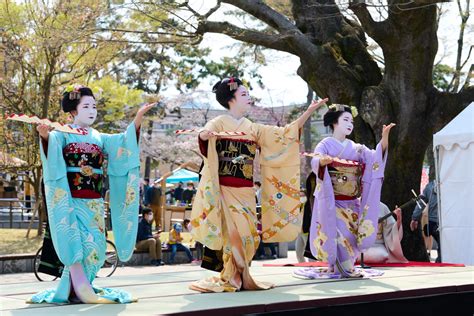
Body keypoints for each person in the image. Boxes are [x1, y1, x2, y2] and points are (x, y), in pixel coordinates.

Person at [189, 77, 328, 292]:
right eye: (243, 94)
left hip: (245, 189)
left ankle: (240, 275)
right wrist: (205, 135)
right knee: (233, 234)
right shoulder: (218, 123)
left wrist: (308, 112)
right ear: (231, 99)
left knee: (249, 236)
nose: (249, 98)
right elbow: (204, 135)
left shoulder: (253, 128)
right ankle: (232, 276)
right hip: (224, 188)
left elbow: (284, 135)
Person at [29, 84, 154, 304]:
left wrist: (137, 119)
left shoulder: (99, 137)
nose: (92, 110)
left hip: (95, 200)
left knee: (96, 245)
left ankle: (79, 286)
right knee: (77, 243)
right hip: (72, 199)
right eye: (86, 106)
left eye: (94, 106)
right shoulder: (62, 134)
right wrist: (45, 136)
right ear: (73, 111)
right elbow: (53, 157)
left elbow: (124, 143)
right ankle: (76, 287)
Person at [294, 104, 395, 279]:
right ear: (334, 122)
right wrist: (322, 163)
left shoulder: (356, 148)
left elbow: (376, 159)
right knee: (334, 234)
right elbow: (315, 161)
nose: (350, 124)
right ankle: (339, 268)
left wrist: (384, 138)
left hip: (351, 202)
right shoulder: (325, 144)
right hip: (332, 200)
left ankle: (346, 267)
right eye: (345, 120)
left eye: (351, 121)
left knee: (350, 235)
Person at [410, 180, 441, 262]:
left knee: (442, 248)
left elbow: (422, 202)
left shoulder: (431, 186)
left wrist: (414, 218)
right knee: (444, 248)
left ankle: (440, 265)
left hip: (433, 223)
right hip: (442, 223)